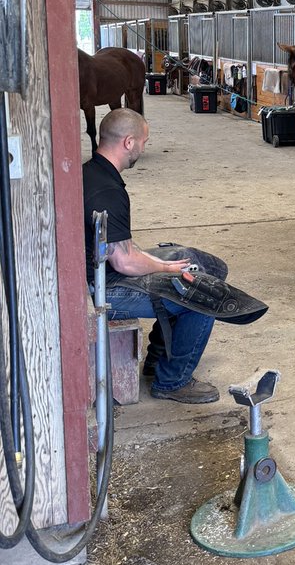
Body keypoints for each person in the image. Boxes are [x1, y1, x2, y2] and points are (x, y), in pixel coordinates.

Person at [82, 108, 219, 404]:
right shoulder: (107, 191)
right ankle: (172, 381)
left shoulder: (92, 171)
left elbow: (121, 250)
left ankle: (158, 356)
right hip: (102, 288)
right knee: (202, 298)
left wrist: (165, 263)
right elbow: (125, 261)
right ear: (129, 142)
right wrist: (165, 268)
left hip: (101, 271)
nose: (144, 148)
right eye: (144, 141)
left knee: (200, 263)